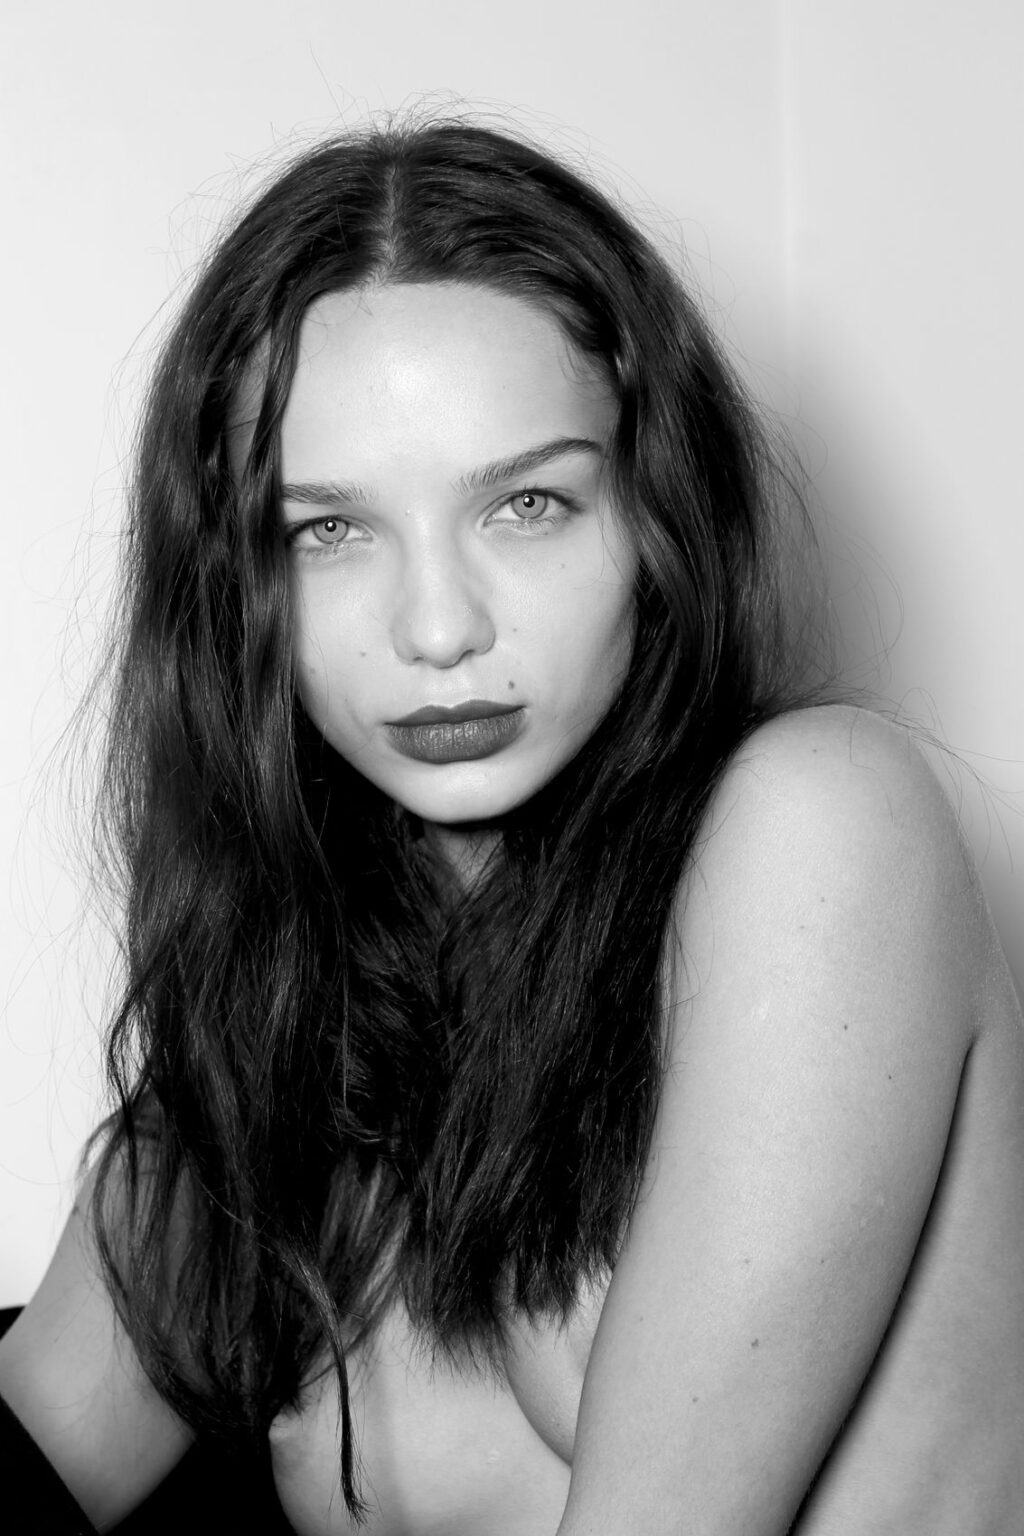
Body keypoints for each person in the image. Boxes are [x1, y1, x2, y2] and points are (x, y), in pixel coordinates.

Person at [1, 118, 1022, 1536]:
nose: (438, 629)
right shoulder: (281, 1042)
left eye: (528, 503)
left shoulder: (825, 826)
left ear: (657, 513)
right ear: (237, 588)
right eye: (326, 530)